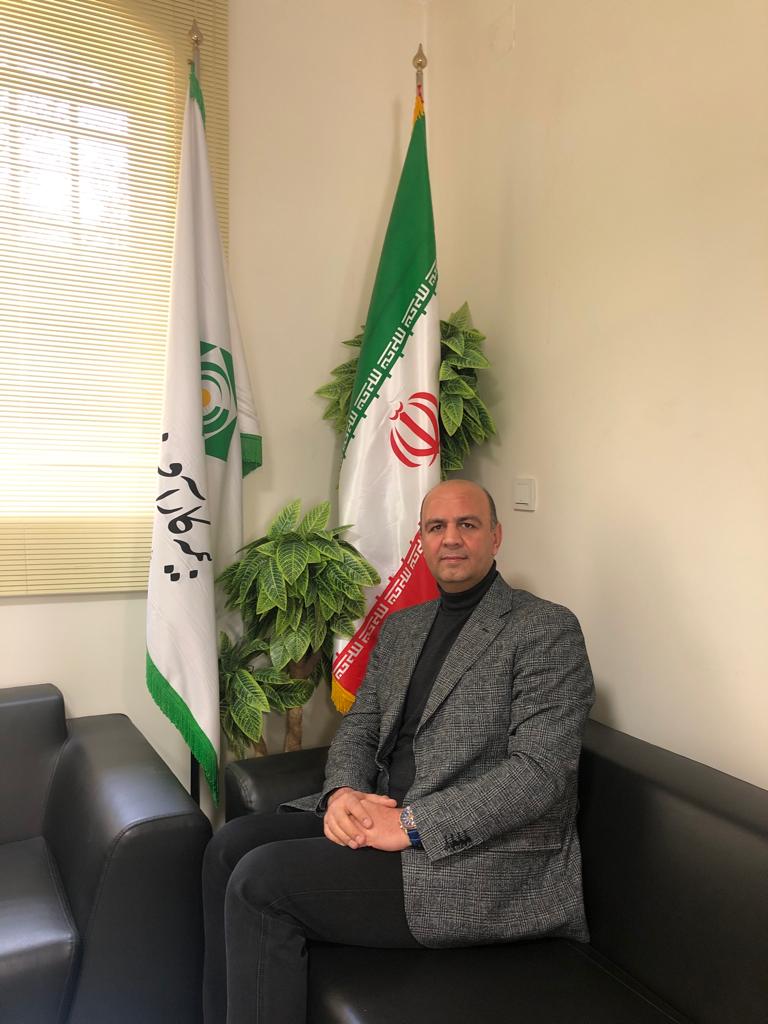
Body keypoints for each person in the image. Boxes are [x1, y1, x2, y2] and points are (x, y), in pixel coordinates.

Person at [202, 479, 595, 1024]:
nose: (451, 538)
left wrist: (410, 825)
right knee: (228, 845)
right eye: (437, 527)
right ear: (422, 540)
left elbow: (540, 773)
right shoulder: (403, 627)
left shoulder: (546, 628)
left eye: (467, 525)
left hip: (473, 857)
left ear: (496, 537)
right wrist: (343, 793)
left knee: (261, 882)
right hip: (382, 813)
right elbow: (361, 725)